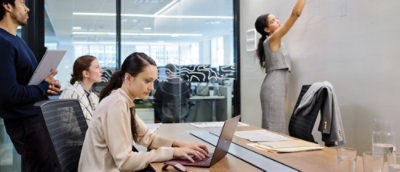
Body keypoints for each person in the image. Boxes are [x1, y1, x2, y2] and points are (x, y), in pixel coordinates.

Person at [79, 52, 208, 171]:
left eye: (153, 81)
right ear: (128, 78)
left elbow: (147, 137)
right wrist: (171, 152)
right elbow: (125, 162)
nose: (151, 88)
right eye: (147, 81)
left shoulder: (124, 101)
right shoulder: (116, 104)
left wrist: (178, 145)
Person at [0, 0, 61, 171]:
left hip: (36, 119)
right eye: (22, 3)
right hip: (25, 124)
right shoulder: (3, 42)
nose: (27, 8)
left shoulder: (16, 40)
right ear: (7, 6)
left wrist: (48, 85)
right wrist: (42, 87)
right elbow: (9, 94)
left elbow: (28, 83)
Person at [255, 0, 306, 133]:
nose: (277, 21)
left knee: (275, 125)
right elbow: (296, 14)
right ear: (266, 30)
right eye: (272, 21)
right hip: (274, 85)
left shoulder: (274, 41)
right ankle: (269, 153)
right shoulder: (272, 39)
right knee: (274, 127)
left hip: (276, 84)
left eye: (276, 19)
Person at [59, 55, 103, 124]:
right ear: (86, 73)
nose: (101, 71)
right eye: (97, 67)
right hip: (78, 134)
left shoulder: (93, 96)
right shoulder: (71, 93)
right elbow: (65, 125)